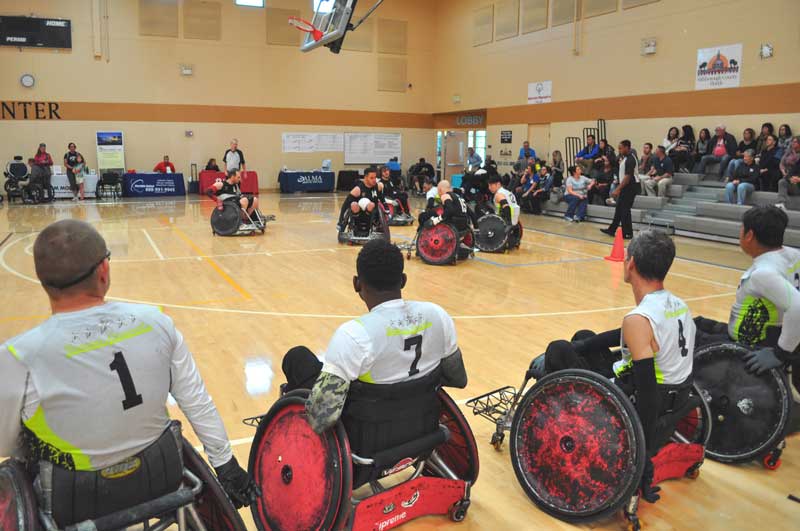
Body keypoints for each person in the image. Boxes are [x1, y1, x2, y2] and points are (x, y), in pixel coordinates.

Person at [0, 220, 259, 526]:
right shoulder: (157, 322)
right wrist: (225, 465)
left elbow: (7, 443)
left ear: (42, 281)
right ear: (104, 270)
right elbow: (196, 401)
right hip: (160, 475)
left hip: (74, 499)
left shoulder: (17, 356)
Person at [533, 230, 695, 503]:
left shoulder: (640, 319)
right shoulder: (678, 305)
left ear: (630, 263)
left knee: (558, 350)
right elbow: (631, 336)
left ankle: (554, 421)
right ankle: (580, 347)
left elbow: (646, 393)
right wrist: (584, 346)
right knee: (584, 337)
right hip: (675, 396)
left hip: (633, 400)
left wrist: (640, 460)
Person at [279, 239, 468, 434]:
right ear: (403, 280)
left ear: (357, 284)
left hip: (369, 437)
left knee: (297, 357)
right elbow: (458, 378)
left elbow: (320, 418)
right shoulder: (437, 315)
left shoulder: (354, 335)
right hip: (423, 425)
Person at [693, 207, 800, 377]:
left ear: (749, 235)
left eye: (741, 229)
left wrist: (780, 353)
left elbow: (798, 307)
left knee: (686, 332)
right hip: (768, 334)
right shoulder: (793, 255)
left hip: (750, 345)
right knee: (696, 322)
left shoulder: (764, 273)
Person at [601, 140, 640, 239]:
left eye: (621, 148)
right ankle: (612, 229)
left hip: (630, 186)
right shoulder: (625, 158)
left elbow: (627, 177)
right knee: (619, 208)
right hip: (626, 186)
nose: (619, 150)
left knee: (625, 210)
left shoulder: (630, 159)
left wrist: (618, 189)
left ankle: (627, 233)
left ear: (627, 147)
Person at [336, 166, 383, 234]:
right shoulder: (358, 189)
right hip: (358, 216)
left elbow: (382, 200)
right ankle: (355, 228)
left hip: (372, 216)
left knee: (371, 205)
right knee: (353, 204)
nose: (374, 180)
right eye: (371, 178)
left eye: (375, 178)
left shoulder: (377, 187)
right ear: (366, 178)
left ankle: (372, 228)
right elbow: (345, 206)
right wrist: (340, 222)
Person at [777, 143, 800, 210]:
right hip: (796, 187)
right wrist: (791, 178)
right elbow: (791, 172)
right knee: (782, 181)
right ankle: (781, 203)